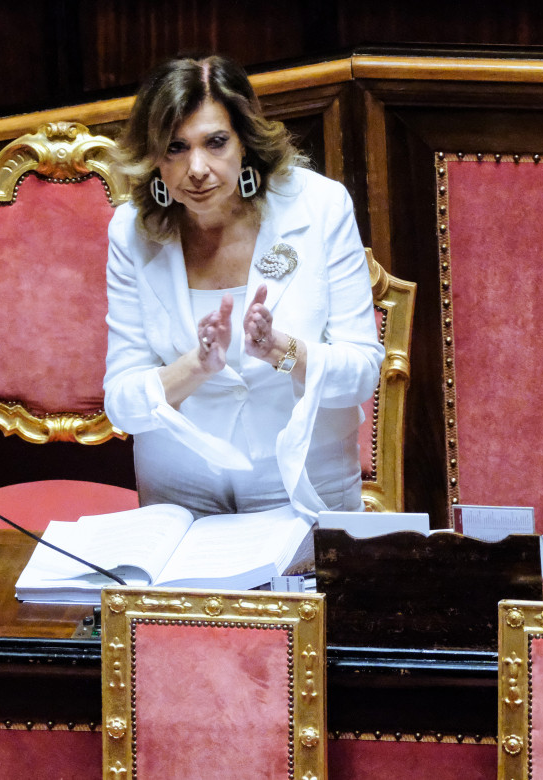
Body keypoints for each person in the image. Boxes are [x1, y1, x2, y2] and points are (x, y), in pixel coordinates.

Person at [104, 54, 383, 518]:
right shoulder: (130, 230)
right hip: (179, 491)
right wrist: (196, 366)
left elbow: (361, 373)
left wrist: (280, 350)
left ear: (245, 144)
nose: (196, 168)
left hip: (303, 483)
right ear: (153, 156)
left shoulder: (319, 206)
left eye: (215, 143)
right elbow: (122, 403)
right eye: (175, 147)